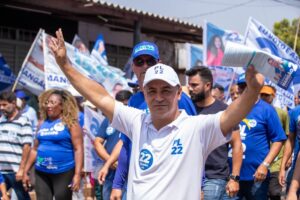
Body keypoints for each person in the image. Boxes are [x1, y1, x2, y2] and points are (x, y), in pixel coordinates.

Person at [49, 28, 264, 199]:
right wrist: (65, 65)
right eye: (152, 91)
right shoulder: (136, 120)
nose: (158, 97)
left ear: (179, 93)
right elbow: (101, 97)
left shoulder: (195, 127)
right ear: (144, 91)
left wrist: (253, 90)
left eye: (166, 90)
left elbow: (230, 117)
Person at [99, 41, 197, 200]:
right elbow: (127, 145)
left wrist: (199, 185)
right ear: (133, 66)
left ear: (159, 63)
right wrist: (117, 185)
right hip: (139, 185)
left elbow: (196, 144)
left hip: (173, 185)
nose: (145, 66)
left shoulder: (179, 98)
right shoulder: (134, 102)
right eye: (139, 61)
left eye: (150, 61)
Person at [186, 66, 242, 199]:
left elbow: (237, 145)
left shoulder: (224, 111)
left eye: (194, 85)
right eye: (189, 85)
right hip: (190, 178)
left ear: (207, 85)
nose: (190, 88)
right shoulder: (186, 110)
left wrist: (234, 178)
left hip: (215, 177)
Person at [228, 74, 286, 200]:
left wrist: (265, 164)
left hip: (256, 177)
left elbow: (278, 139)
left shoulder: (267, 110)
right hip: (231, 176)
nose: (245, 89)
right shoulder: (232, 108)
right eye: (242, 86)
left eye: (249, 86)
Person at [22, 89, 83, 200]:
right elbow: (35, 149)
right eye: (47, 102)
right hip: (41, 171)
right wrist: (25, 171)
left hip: (64, 171)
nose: (48, 106)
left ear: (62, 105)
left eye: (52, 103)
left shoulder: (71, 124)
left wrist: (77, 174)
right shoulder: (42, 123)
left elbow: (78, 149)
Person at [94, 90, 132, 200]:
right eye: (119, 105)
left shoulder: (135, 120)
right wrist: (110, 161)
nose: (122, 108)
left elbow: (122, 143)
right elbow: (97, 142)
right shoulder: (108, 119)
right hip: (110, 172)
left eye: (125, 105)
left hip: (129, 172)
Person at [0, 91, 33, 200]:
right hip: (1, 171)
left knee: (22, 197)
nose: (1, 108)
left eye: (4, 105)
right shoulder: (1, 121)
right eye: (0, 105)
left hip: (16, 171)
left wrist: (22, 170)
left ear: (13, 103)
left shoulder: (24, 121)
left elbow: (27, 147)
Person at [259, 85, 289, 200]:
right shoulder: (255, 111)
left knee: (274, 193)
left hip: (276, 163)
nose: (264, 97)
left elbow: (287, 138)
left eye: (267, 95)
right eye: (262, 95)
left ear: (273, 96)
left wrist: (288, 157)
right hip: (260, 161)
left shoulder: (282, 114)